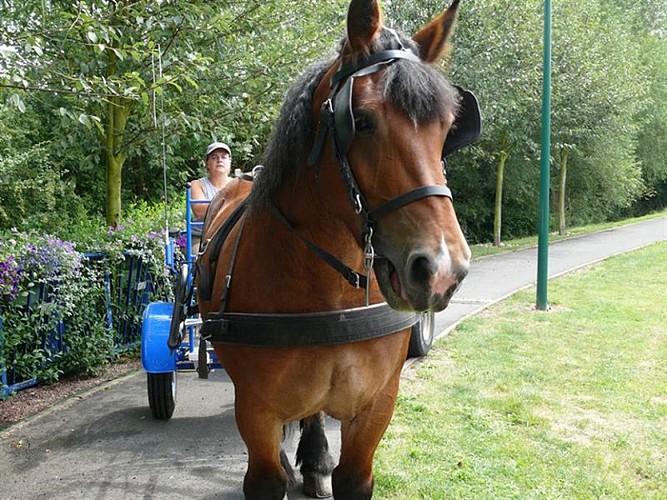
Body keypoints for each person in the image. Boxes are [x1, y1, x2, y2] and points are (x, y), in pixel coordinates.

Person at [190, 142, 233, 256]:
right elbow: (199, 211)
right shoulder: (197, 184)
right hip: (201, 237)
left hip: (230, 235)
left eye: (224, 157)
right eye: (214, 157)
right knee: (197, 260)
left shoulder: (238, 184)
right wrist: (231, 206)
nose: (219, 160)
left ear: (229, 162)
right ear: (207, 163)